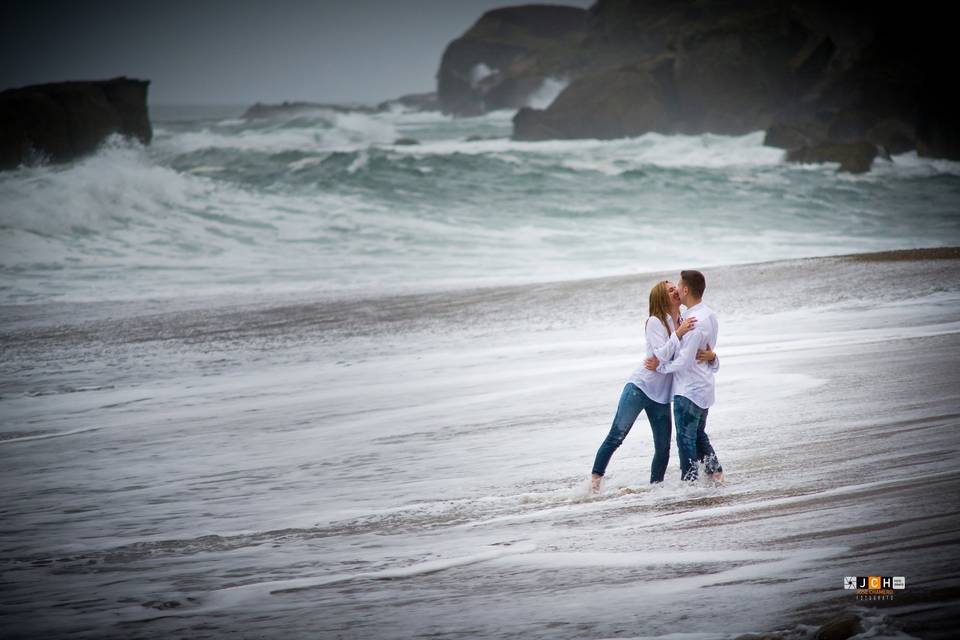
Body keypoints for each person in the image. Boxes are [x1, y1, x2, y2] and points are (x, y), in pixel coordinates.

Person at [590, 280, 709, 492]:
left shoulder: (683, 321)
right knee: (616, 436)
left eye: (675, 288)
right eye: (670, 290)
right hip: (639, 388)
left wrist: (711, 355)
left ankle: (655, 489)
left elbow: (686, 353)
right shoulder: (655, 321)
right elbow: (662, 354)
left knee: (663, 449)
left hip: (662, 396)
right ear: (662, 298)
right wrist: (678, 333)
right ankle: (594, 484)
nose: (675, 291)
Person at [645, 269, 723, 483]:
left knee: (685, 440)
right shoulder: (709, 314)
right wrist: (713, 357)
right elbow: (707, 350)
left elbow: (684, 361)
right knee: (699, 436)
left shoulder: (691, 320)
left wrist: (659, 367)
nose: (676, 290)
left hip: (688, 389)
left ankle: (690, 483)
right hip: (705, 386)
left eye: (678, 286)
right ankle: (716, 474)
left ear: (686, 289)